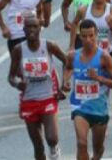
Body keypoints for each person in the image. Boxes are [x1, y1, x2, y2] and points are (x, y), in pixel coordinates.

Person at [8, 15, 68, 160]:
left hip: (48, 96)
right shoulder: (18, 50)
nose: (32, 30)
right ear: (24, 30)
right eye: (29, 27)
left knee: (52, 138)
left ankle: (55, 150)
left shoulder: (49, 45)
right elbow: (10, 77)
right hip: (29, 100)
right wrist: (17, 84)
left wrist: (64, 84)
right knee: (38, 145)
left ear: (40, 28)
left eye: (35, 26)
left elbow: (67, 62)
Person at [63, 19, 112, 160]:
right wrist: (65, 81)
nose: (88, 39)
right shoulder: (73, 56)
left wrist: (99, 78)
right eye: (84, 36)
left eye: (91, 35)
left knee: (98, 148)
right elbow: (68, 68)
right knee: (81, 143)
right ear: (80, 36)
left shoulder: (104, 57)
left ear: (96, 35)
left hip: (99, 108)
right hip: (79, 106)